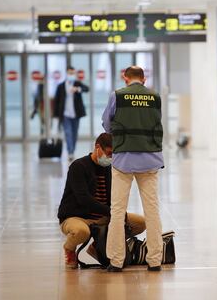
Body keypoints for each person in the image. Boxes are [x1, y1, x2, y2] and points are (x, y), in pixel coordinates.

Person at [102, 66, 164, 272]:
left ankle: (116, 260)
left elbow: (107, 124)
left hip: (124, 160)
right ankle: (155, 260)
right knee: (152, 210)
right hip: (150, 159)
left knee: (118, 211)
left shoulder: (117, 96)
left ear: (125, 78)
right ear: (144, 79)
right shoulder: (155, 97)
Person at [57, 133, 146, 269]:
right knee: (81, 232)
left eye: (113, 155)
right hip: (76, 217)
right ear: (98, 147)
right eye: (109, 153)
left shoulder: (109, 169)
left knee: (140, 223)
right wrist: (112, 212)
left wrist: (119, 213)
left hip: (103, 217)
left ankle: (97, 246)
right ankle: (69, 248)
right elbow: (83, 199)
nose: (110, 158)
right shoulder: (78, 166)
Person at [53, 66, 89, 161]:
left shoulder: (77, 84)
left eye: (73, 73)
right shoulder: (61, 86)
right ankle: (70, 152)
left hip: (76, 114)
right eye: (69, 73)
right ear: (66, 73)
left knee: (74, 133)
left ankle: (72, 149)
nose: (71, 75)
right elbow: (57, 101)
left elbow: (87, 89)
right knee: (68, 133)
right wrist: (56, 115)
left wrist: (78, 89)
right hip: (65, 114)